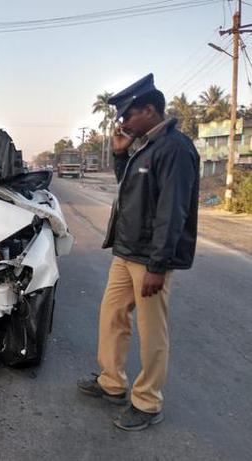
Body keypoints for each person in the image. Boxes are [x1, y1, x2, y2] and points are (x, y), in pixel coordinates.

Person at [77, 73, 200, 431]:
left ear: (150, 110)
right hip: (126, 253)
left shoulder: (175, 148)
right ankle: (112, 383)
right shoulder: (145, 147)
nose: (122, 121)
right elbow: (130, 193)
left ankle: (147, 403)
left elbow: (172, 211)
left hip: (150, 259)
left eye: (127, 115)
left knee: (152, 331)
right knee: (111, 316)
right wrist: (119, 155)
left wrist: (158, 265)